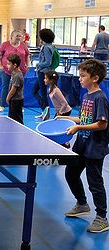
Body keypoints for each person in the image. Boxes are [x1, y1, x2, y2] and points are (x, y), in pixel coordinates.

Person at [59, 59, 109, 233]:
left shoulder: (100, 97)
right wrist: (67, 119)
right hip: (81, 145)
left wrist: (78, 128)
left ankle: (102, 218)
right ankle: (82, 203)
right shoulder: (87, 95)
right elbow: (84, 119)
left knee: (94, 182)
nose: (79, 78)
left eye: (83, 76)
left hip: (94, 147)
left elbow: (102, 124)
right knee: (71, 173)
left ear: (94, 78)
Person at [0, 30, 30, 113]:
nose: (19, 37)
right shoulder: (5, 44)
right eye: (17, 36)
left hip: (20, 70)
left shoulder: (23, 45)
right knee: (5, 86)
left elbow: (27, 55)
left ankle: (19, 105)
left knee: (19, 88)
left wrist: (28, 65)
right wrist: (0, 65)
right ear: (12, 37)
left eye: (20, 36)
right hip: (6, 69)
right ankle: (2, 105)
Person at [34, 28, 55, 120]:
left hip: (43, 72)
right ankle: (44, 111)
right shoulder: (49, 46)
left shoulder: (47, 47)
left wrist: (38, 64)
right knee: (34, 91)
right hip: (42, 72)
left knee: (42, 93)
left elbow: (48, 62)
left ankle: (46, 112)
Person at [5, 54, 24, 124]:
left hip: (16, 100)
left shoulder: (17, 75)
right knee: (12, 117)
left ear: (15, 65)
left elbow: (13, 89)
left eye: (8, 64)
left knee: (17, 119)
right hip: (14, 100)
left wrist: (7, 98)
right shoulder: (14, 73)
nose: (7, 66)